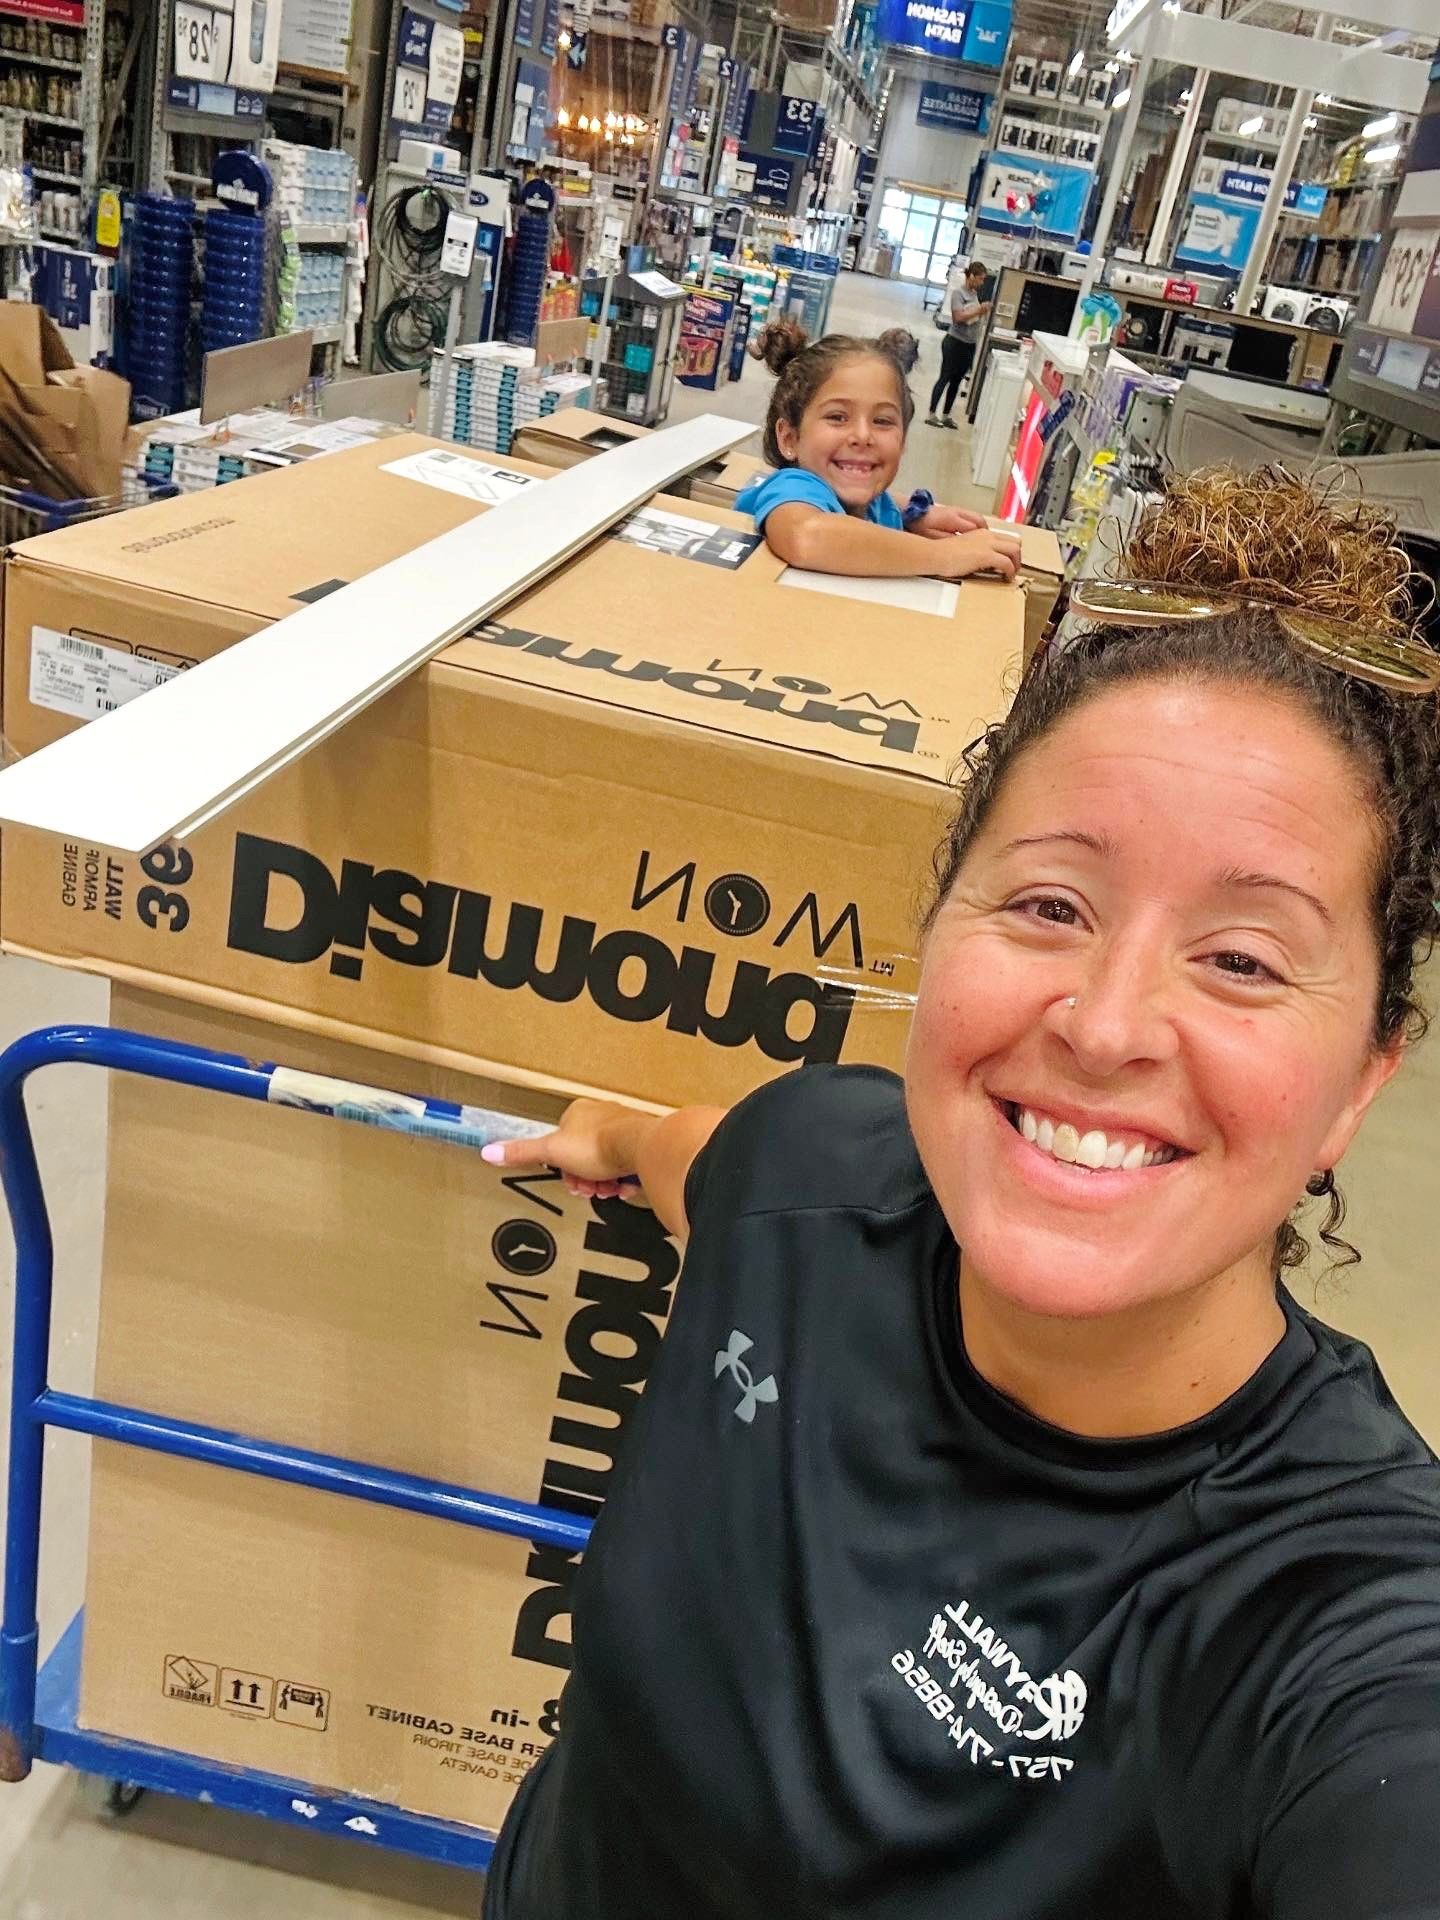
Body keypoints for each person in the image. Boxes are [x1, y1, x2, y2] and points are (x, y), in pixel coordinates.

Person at [479, 467, 1440, 1920]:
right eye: (1052, 905)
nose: (1108, 1026)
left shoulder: (1337, 1618)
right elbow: (700, 1156)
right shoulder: (807, 1169)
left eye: (1243, 959)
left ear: (1362, 1082)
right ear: (937, 930)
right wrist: (609, 1134)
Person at [735, 320, 1021, 583]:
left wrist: (914, 513)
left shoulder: (873, 503)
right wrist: (947, 555)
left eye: (883, 421)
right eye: (837, 417)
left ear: (904, 438)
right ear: (790, 438)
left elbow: (870, 509)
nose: (862, 436)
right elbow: (806, 536)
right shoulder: (793, 487)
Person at [928, 260, 991, 427]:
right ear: (971, 276)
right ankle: (932, 413)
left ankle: (946, 414)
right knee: (945, 377)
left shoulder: (974, 295)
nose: (981, 283)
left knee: (956, 381)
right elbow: (958, 318)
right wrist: (979, 310)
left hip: (968, 345)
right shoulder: (958, 293)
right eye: (980, 279)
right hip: (954, 342)